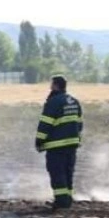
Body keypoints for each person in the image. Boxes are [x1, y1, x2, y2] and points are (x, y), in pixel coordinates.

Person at [35, 75, 83, 210]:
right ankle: (67, 199)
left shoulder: (53, 102)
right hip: (72, 144)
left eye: (51, 84)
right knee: (68, 172)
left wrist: (39, 140)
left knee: (57, 172)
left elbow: (46, 123)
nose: (50, 87)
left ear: (56, 85)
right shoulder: (74, 101)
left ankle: (61, 201)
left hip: (57, 145)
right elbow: (79, 124)